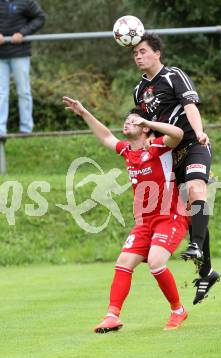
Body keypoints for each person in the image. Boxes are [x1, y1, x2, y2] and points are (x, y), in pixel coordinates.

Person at [63, 96, 189, 332]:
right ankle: (112, 316)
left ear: (144, 128)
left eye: (133, 121)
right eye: (127, 120)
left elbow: (178, 134)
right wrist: (83, 112)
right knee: (123, 263)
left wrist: (149, 122)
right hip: (144, 221)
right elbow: (106, 137)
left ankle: (178, 310)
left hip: (169, 216)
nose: (127, 123)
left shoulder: (158, 148)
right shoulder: (128, 151)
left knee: (155, 262)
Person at [132, 33, 220, 305]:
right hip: (170, 155)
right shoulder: (138, 91)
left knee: (196, 189)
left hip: (193, 144)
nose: (138, 56)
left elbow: (189, 105)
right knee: (185, 211)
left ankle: (195, 245)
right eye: (135, 53)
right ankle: (206, 271)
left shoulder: (173, 76)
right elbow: (144, 127)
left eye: (143, 51)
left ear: (157, 53)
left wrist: (199, 132)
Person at [0, 0, 45, 136]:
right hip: (0, 56)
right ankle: (0, 130)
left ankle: (26, 128)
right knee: (1, 93)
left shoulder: (26, 1)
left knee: (24, 91)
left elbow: (40, 18)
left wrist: (22, 33)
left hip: (20, 54)